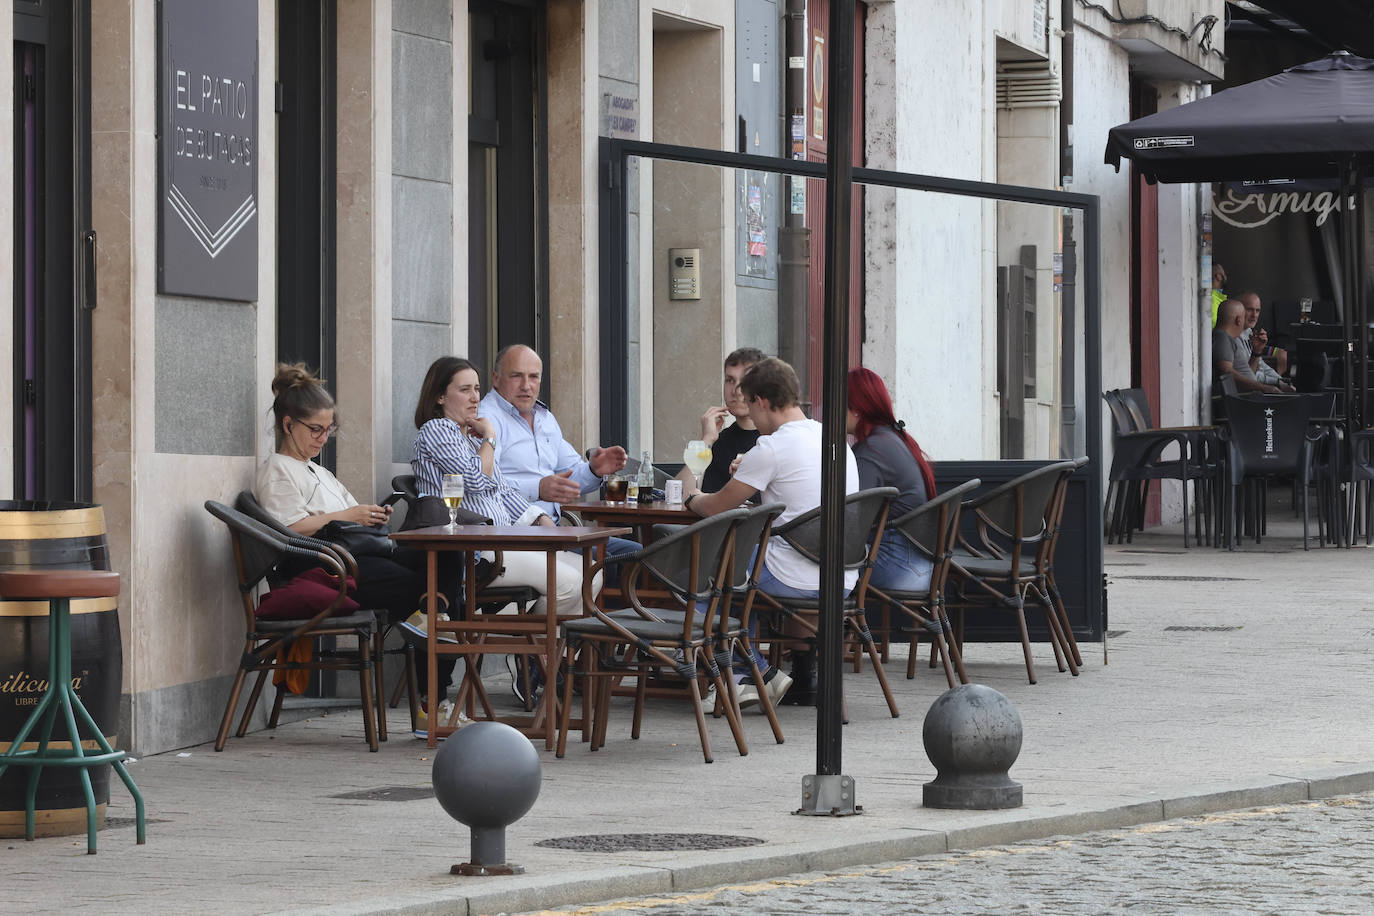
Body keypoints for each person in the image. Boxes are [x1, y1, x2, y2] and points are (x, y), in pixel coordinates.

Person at [253, 363, 459, 736]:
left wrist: (371, 516)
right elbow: (286, 530)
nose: (322, 439)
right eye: (315, 430)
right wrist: (350, 514)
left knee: (445, 552)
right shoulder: (277, 470)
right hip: (327, 569)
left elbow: (345, 519)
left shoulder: (321, 472)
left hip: (357, 556)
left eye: (328, 431)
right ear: (287, 425)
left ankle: (434, 618)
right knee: (426, 594)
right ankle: (434, 697)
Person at [684, 357, 860, 707]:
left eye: (749, 403)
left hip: (796, 575)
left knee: (701, 568)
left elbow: (715, 507)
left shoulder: (772, 446)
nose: (746, 410)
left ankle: (756, 672)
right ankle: (743, 676)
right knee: (732, 570)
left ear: (761, 402)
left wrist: (691, 499)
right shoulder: (829, 436)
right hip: (842, 573)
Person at [411, 356, 600, 617]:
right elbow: (475, 480)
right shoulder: (438, 429)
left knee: (592, 575)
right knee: (569, 583)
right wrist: (490, 437)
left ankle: (542, 654)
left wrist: (542, 519)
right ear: (440, 397)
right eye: (464, 390)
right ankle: (534, 651)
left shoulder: (473, 439)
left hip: (504, 542)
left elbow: (504, 491)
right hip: (475, 553)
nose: (475, 398)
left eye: (477, 389)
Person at [480, 344, 627, 519]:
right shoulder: (486, 419)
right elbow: (483, 482)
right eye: (516, 376)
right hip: (512, 534)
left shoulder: (544, 418)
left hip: (553, 532)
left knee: (630, 546)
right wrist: (537, 489)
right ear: (496, 379)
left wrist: (593, 470)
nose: (526, 386)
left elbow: (569, 476)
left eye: (534, 377)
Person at [846, 367, 937, 592]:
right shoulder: (892, 440)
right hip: (919, 566)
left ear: (856, 410)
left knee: (801, 570)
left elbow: (852, 523)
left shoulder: (871, 451)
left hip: (898, 568)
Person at [677, 347, 766, 493]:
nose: (736, 391)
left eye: (745, 381)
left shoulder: (775, 439)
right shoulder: (719, 441)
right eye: (730, 380)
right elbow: (678, 496)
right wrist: (706, 441)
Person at [1212, 299, 1287, 394]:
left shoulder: (1229, 339)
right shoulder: (1222, 338)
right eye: (1244, 317)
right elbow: (1226, 372)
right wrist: (1263, 388)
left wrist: (1256, 352)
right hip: (1240, 402)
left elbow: (1246, 373)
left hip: (1248, 397)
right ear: (1238, 320)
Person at [1238, 291, 1290, 385]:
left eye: (1257, 310)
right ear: (1239, 310)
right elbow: (1246, 375)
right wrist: (1277, 382)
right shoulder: (1234, 336)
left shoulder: (1248, 331)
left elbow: (1260, 365)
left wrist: (1282, 381)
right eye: (1249, 310)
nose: (1254, 315)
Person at [1210, 262, 1228, 327]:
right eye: (1224, 274)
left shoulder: (1217, 298)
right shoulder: (1211, 300)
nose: (1226, 276)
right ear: (1218, 277)